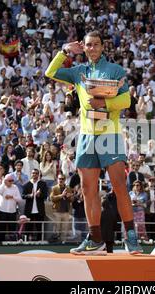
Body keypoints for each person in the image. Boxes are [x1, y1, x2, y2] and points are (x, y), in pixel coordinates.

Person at [45, 31, 142, 255]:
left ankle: (131, 236)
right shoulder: (78, 71)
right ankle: (95, 239)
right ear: (84, 47)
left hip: (110, 134)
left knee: (119, 186)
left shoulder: (115, 70)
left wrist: (102, 102)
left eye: (96, 44)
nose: (92, 48)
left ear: (102, 47)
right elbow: (50, 72)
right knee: (88, 190)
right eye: (88, 45)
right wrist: (65, 51)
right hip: (87, 136)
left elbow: (127, 99)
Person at [22, 169, 47, 241]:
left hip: (39, 210)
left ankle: (40, 241)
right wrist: (30, 195)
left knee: (39, 228)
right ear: (31, 174)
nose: (34, 175)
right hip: (29, 211)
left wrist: (39, 195)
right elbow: (23, 195)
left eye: (36, 173)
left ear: (38, 174)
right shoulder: (27, 184)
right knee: (28, 228)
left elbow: (45, 196)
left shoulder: (43, 184)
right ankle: (27, 241)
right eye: (33, 173)